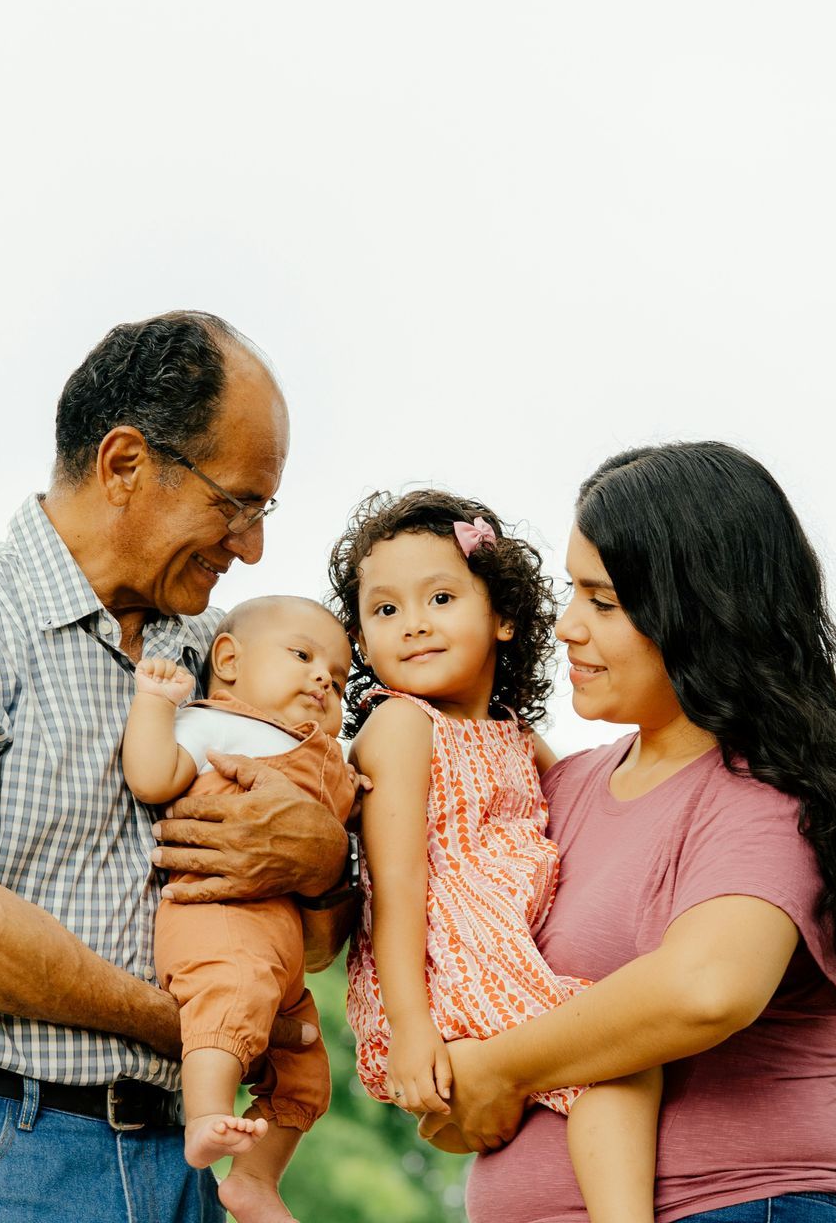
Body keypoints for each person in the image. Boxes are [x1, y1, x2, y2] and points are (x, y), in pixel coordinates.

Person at [0, 312, 354, 1223]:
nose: (250, 546)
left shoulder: (230, 655)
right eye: (236, 503)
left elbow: (317, 939)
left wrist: (325, 859)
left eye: (263, 512)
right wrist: (180, 1027)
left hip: (180, 1161)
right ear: (125, 463)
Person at [423, 441, 836, 1223]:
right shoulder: (566, 788)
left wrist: (495, 1069)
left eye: (603, 601)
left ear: (696, 609)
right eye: (571, 592)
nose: (565, 628)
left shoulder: (769, 794)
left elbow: (705, 989)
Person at [332, 489, 663, 1223]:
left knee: (576, 1068)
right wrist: (412, 1028)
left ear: (503, 617)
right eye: (385, 611)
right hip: (452, 961)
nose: (413, 624)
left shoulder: (513, 736)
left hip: (500, 951)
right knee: (618, 1058)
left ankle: (457, 1115)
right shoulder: (400, 727)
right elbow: (395, 886)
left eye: (441, 597)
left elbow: (590, 793)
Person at [122, 595, 358, 1223]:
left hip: (281, 954)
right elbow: (151, 775)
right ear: (228, 660)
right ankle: (204, 1118)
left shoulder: (330, 756)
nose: (322, 680)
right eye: (303, 657)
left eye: (337, 679)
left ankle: (254, 1180)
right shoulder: (224, 724)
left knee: (305, 1069)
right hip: (217, 919)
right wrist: (155, 703)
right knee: (226, 998)